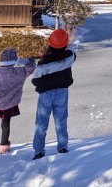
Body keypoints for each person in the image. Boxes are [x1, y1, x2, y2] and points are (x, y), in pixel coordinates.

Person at [32, 28, 76, 160]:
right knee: (61, 120)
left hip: (46, 94)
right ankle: (62, 147)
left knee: (41, 122)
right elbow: (72, 54)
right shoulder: (70, 56)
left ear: (50, 43)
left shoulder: (44, 64)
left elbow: (35, 80)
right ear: (65, 44)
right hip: (62, 91)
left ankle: (39, 150)